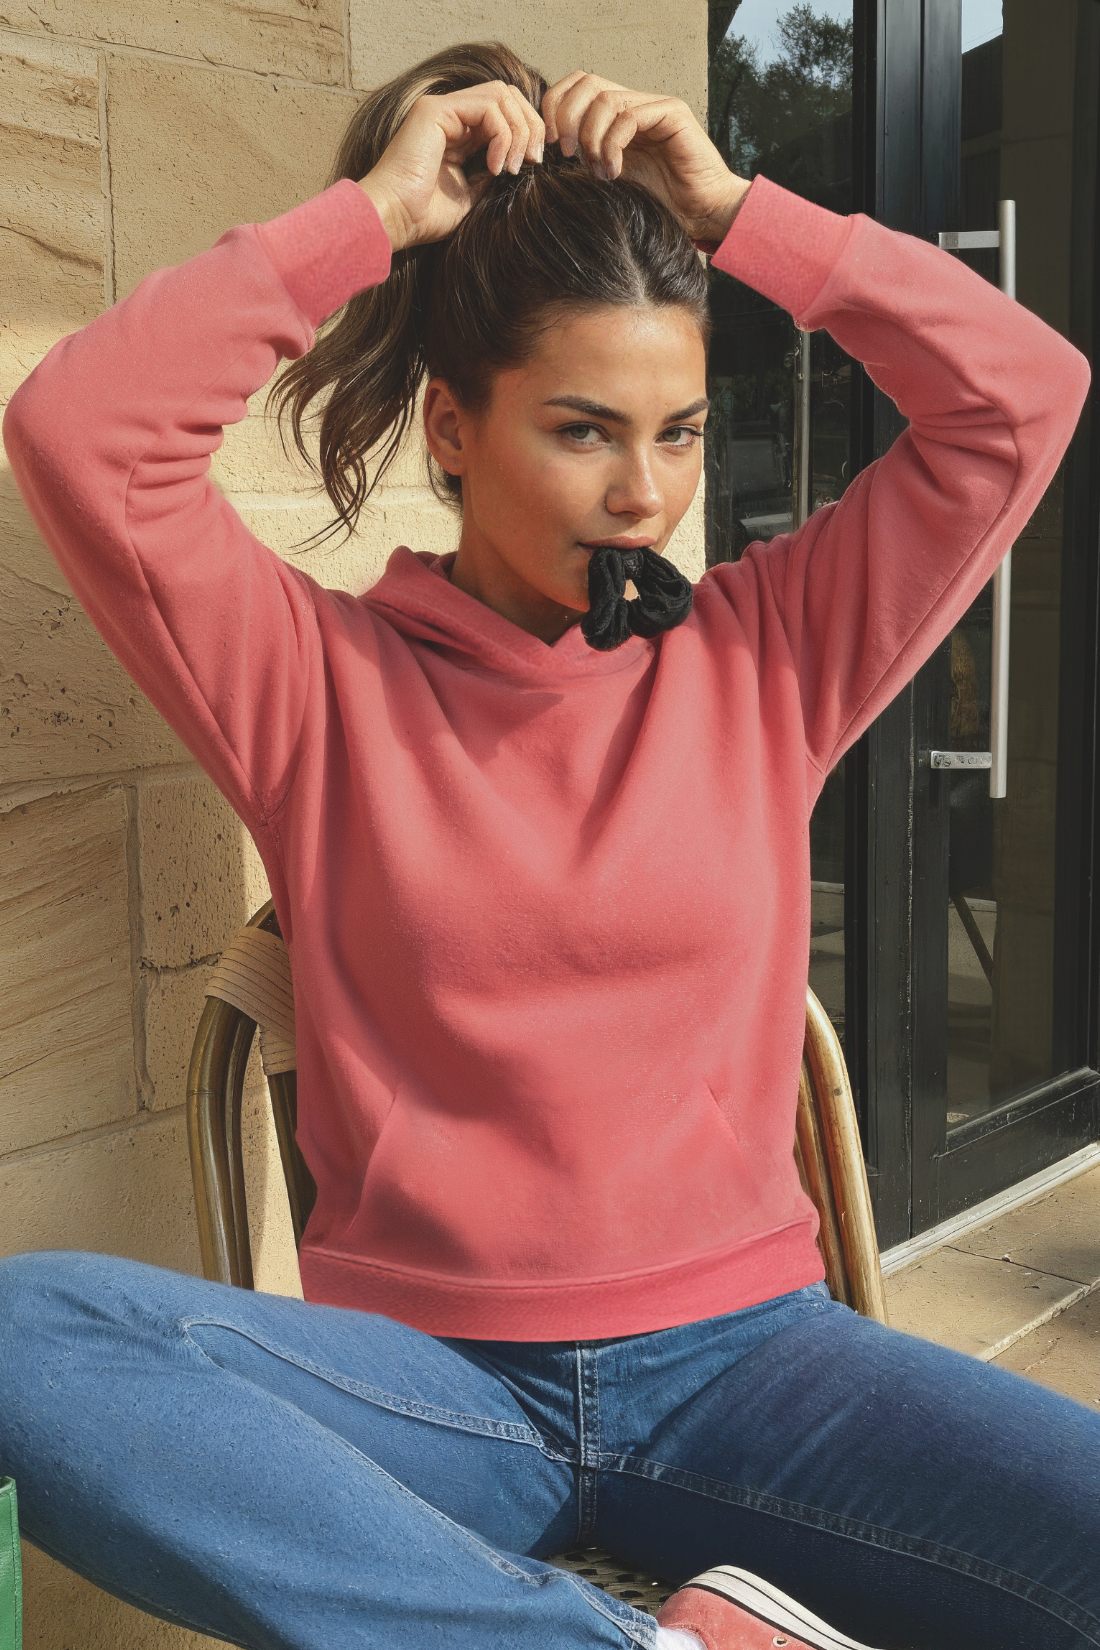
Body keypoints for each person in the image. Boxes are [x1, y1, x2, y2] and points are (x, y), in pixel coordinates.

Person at [1, 38, 1097, 1650]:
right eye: (586, 431)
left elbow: (1023, 397)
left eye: (679, 432)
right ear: (453, 429)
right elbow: (84, 425)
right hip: (429, 1384)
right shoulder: (315, 681)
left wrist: (740, 215)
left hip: (753, 1367)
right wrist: (368, 219)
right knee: (30, 1336)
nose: (646, 494)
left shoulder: (768, 651)